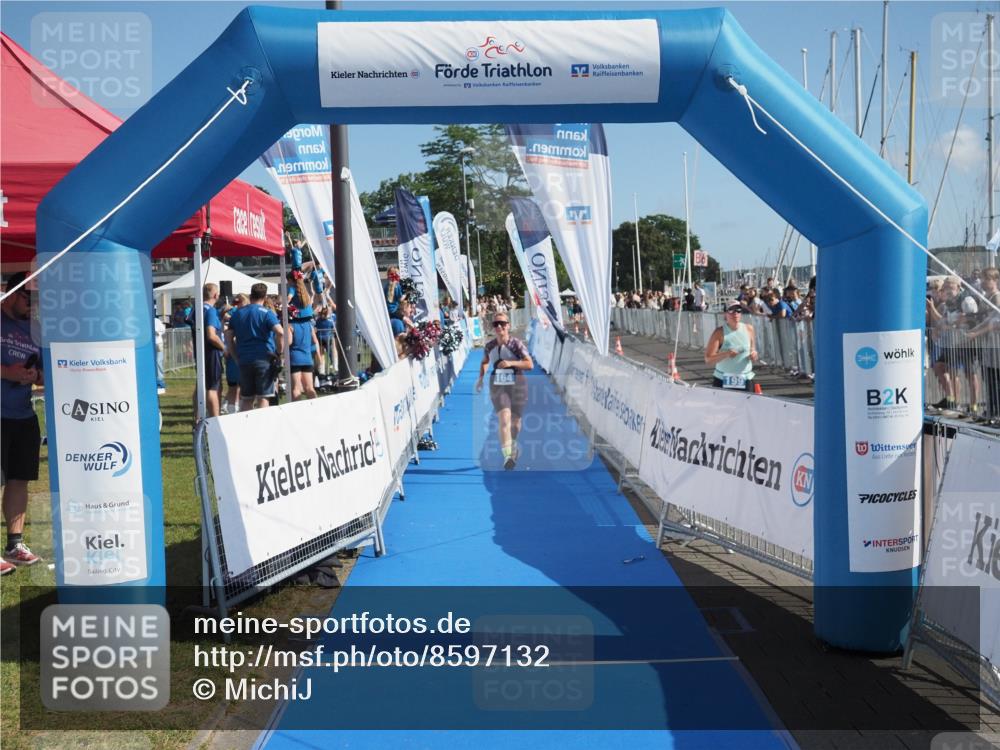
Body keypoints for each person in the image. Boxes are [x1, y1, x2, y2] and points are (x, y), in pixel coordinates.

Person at [1, 272, 43, 574]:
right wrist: (7, 371)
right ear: (13, 292)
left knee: (19, 479)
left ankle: (14, 544)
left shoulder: (35, 329)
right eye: (29, 298)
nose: (33, 305)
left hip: (23, 414)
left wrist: (34, 376)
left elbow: (43, 372)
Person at [475, 312, 534, 470]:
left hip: (518, 383)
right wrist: (480, 378)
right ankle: (507, 455)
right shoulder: (490, 345)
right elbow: (485, 362)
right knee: (504, 417)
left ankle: (513, 444)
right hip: (498, 384)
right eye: (496, 324)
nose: (499, 326)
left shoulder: (516, 344)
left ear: (508, 325)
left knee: (515, 420)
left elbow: (530, 365)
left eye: (502, 323)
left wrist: (509, 363)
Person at [226, 282, 284, 410]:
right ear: (265, 296)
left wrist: (235, 356)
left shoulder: (237, 314)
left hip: (244, 359)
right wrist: (279, 353)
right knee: (263, 398)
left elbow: (228, 338)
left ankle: (246, 428)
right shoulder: (267, 313)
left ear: (251, 295)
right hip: (264, 359)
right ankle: (262, 428)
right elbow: (280, 332)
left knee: (247, 399)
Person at [188, 283, 225, 420]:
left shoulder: (196, 308)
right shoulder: (210, 310)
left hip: (201, 351)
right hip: (211, 352)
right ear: (216, 295)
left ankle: (197, 419)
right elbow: (211, 335)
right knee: (212, 387)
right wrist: (224, 348)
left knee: (201, 385)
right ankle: (216, 420)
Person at [704, 302, 759, 391]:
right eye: (731, 310)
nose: (735, 313)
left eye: (738, 310)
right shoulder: (719, 332)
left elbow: (753, 350)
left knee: (747, 405)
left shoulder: (749, 329)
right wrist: (726, 354)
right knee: (723, 405)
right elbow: (708, 359)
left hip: (745, 378)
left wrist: (754, 355)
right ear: (726, 314)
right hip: (723, 379)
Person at [288, 278, 319, 400]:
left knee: (296, 388)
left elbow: (289, 342)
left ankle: (297, 412)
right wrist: (317, 355)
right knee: (309, 388)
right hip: (307, 358)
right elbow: (315, 341)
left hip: (295, 358)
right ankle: (315, 408)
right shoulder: (309, 326)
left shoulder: (291, 326)